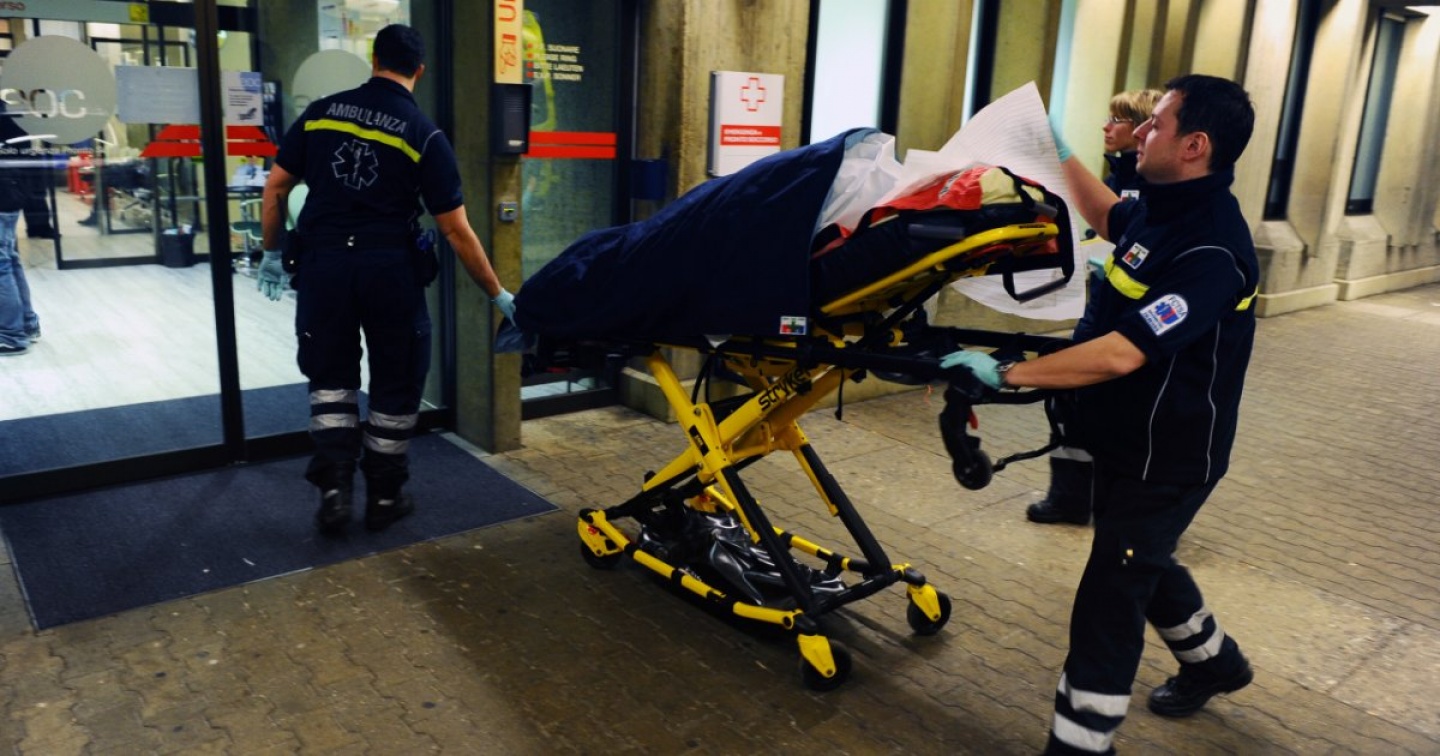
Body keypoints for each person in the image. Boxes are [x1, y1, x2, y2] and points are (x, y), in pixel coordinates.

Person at [942, 74, 1259, 754]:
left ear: (1195, 145)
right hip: (1123, 435)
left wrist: (1004, 374)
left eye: (1157, 123)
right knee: (1140, 558)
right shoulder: (1161, 209)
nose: (1140, 131)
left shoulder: (1213, 251)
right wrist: (1051, 148)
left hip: (1169, 456)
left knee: (1112, 592)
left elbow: (1121, 354)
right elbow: (1106, 213)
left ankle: (1080, 742)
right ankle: (1215, 663)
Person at [258, 23, 515, 535]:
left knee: (330, 379)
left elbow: (276, 189)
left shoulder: (320, 114)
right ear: (420, 70)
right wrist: (498, 293)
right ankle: (383, 496)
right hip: (389, 272)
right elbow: (456, 231)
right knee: (397, 380)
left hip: (325, 268)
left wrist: (270, 252)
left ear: (373, 60)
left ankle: (334, 492)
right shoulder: (424, 134)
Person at [1028, 88, 1162, 527]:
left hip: (1131, 323)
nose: (1107, 127)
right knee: (1071, 402)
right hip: (1101, 306)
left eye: (1118, 120)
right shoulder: (1118, 176)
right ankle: (1069, 499)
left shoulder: (1159, 187)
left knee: (1126, 417)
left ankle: (1137, 514)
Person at [0, 107, 41, 356]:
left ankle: (11, 335)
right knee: (9, 260)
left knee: (2, 264)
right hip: (11, 193)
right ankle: (26, 324)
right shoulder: (9, 113)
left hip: (3, 193)